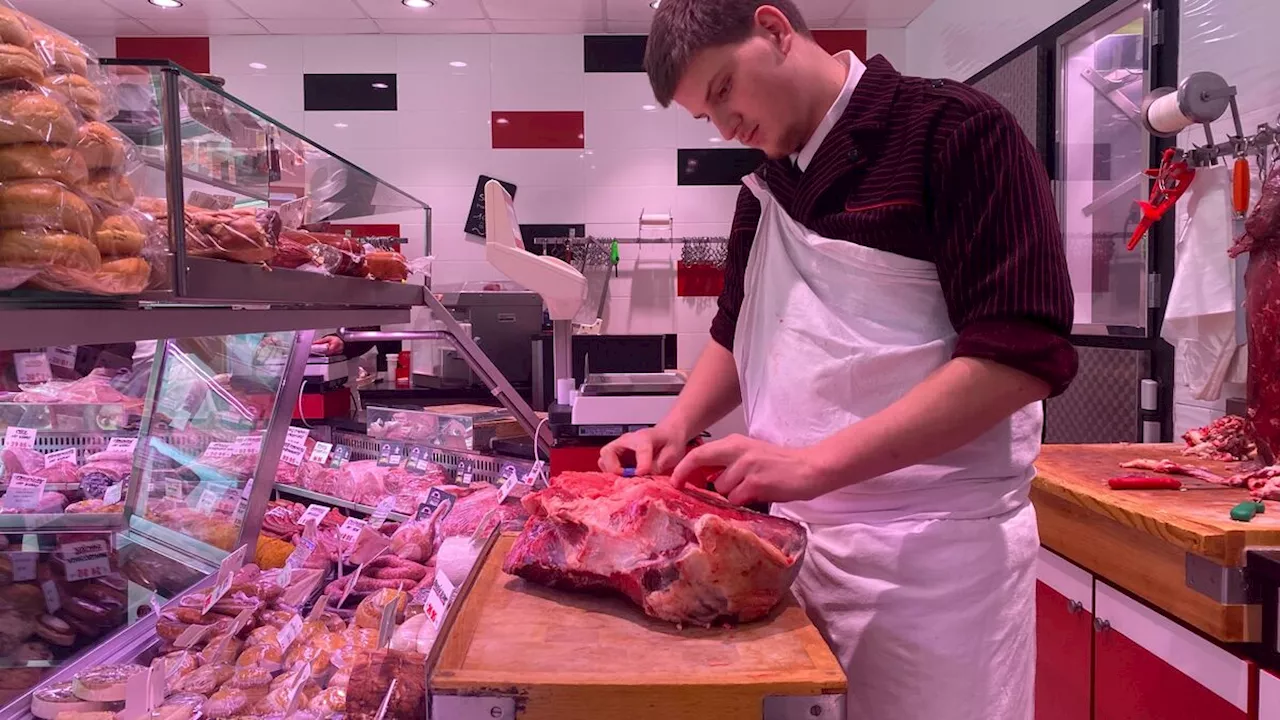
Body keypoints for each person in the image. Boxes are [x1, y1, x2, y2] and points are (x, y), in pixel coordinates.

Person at [599, 2, 1077, 718]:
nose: (727, 129)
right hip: (786, 555)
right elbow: (738, 334)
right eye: (706, 117)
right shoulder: (764, 193)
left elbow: (1018, 355)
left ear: (775, 29)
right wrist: (676, 427)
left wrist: (814, 465)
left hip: (934, 563)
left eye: (725, 89)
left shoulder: (958, 132)